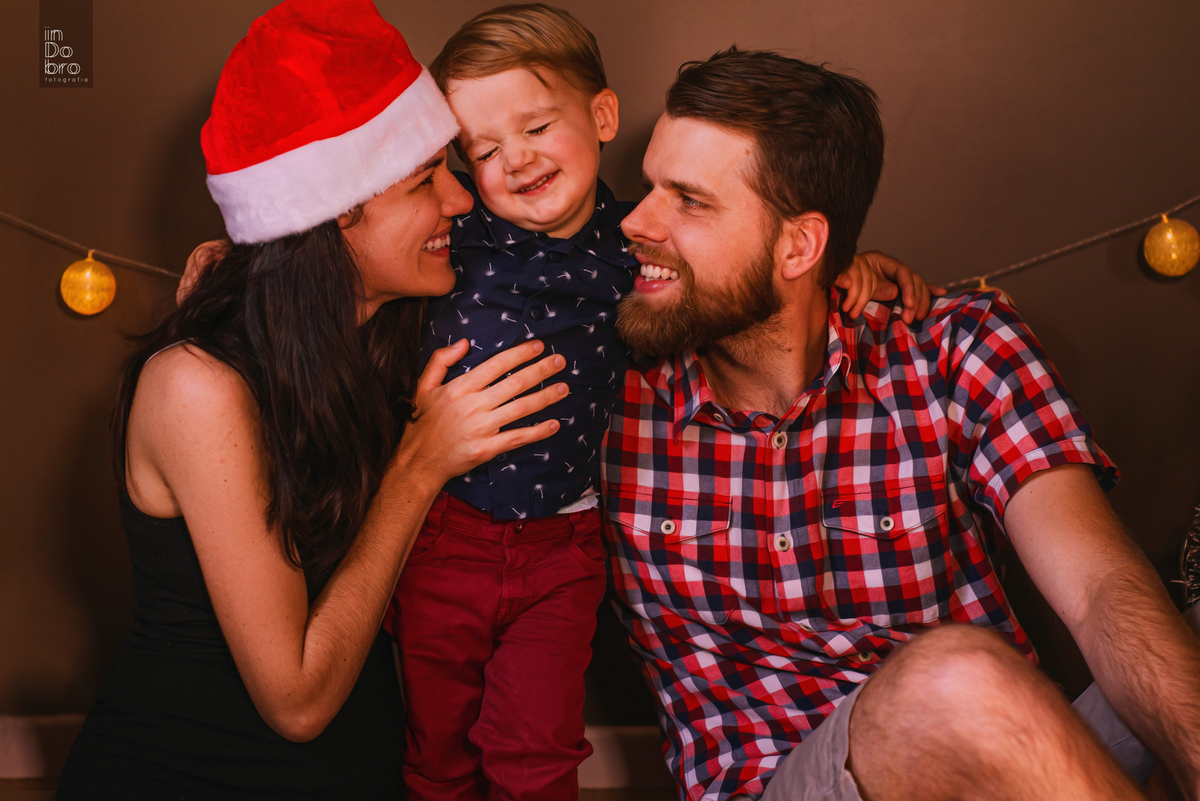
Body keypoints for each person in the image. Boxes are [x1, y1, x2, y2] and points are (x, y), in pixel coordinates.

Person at [601, 47, 1200, 801]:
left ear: (799, 246)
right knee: (953, 677)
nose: (635, 220)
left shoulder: (952, 345)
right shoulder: (600, 385)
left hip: (1014, 749)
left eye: (687, 200)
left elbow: (1099, 585)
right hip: (784, 779)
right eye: (651, 185)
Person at [379, 7, 939, 800]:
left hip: (561, 545)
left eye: (536, 125)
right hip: (446, 528)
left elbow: (750, 278)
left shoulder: (635, 247)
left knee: (531, 746)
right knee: (436, 744)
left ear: (601, 115)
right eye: (484, 150)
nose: (517, 160)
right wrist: (239, 257)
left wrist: (855, 264)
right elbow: (359, 248)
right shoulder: (457, 230)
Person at [55, 1, 569, 797]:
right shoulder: (197, 385)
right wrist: (419, 463)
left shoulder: (394, 329)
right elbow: (295, 701)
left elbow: (587, 260)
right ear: (333, 216)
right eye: (424, 179)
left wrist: (834, 279)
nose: (461, 200)